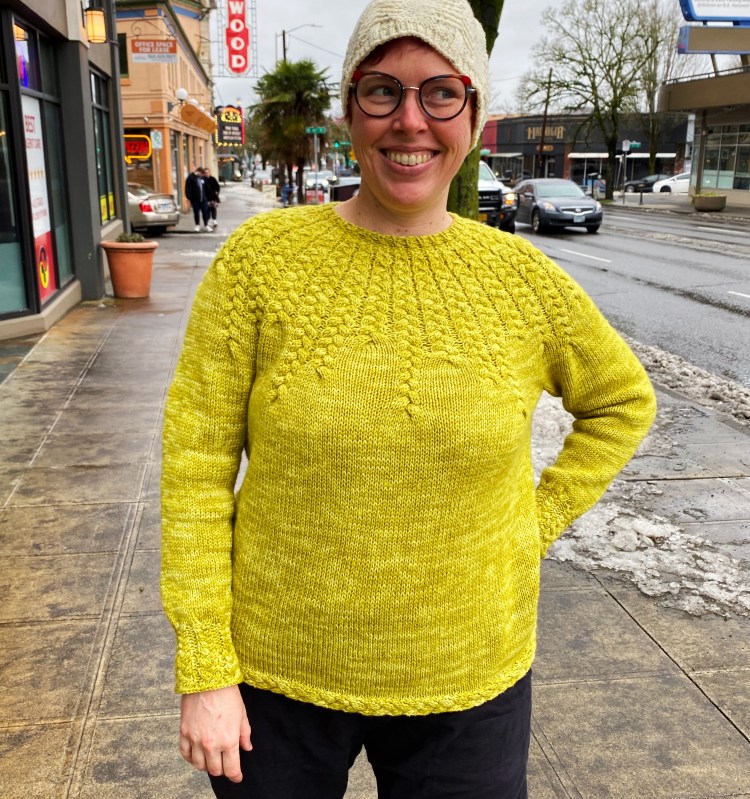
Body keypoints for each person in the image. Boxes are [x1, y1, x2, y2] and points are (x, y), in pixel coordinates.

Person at [160, 0, 657, 796]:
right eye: (383, 91)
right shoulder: (262, 262)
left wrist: (532, 522)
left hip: (472, 679)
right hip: (273, 679)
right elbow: (194, 469)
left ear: (474, 110)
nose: (411, 121)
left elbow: (623, 401)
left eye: (441, 93)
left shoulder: (521, 282)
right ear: (350, 110)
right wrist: (205, 666)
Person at [185, 166, 209, 232]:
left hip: (203, 199)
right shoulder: (191, 178)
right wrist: (189, 198)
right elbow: (188, 188)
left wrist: (207, 197)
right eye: (201, 174)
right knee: (196, 213)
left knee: (205, 212)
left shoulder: (202, 178)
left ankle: (206, 225)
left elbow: (205, 188)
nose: (202, 175)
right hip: (195, 199)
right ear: (198, 172)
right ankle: (197, 225)